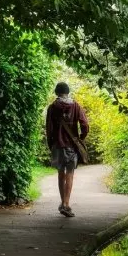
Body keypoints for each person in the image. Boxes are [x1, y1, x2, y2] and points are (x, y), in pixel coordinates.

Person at [45, 82, 89, 217]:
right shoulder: (75, 106)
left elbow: (49, 129)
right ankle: (66, 204)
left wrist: (50, 144)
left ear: (57, 92)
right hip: (71, 146)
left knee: (61, 173)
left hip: (58, 145)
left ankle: (62, 202)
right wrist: (81, 137)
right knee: (70, 173)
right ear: (68, 92)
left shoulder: (52, 108)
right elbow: (85, 124)